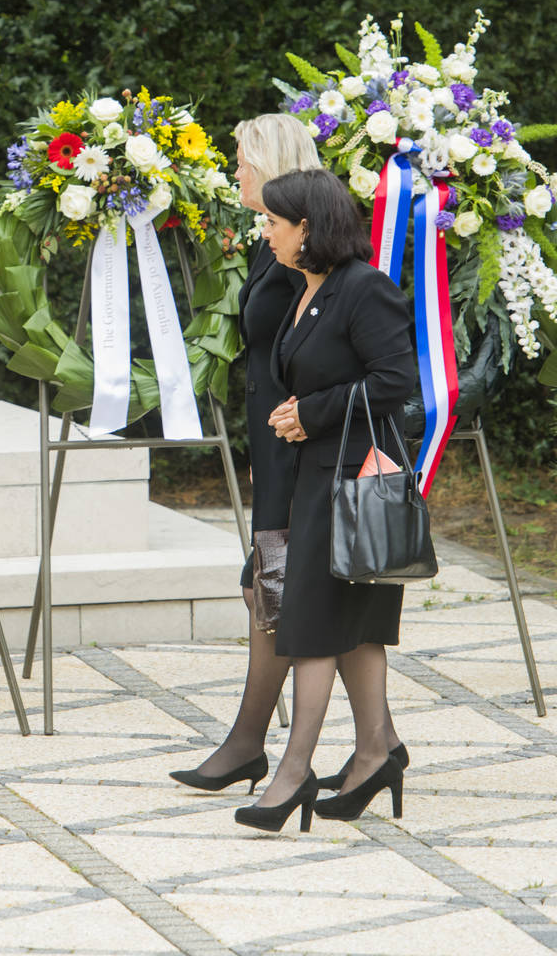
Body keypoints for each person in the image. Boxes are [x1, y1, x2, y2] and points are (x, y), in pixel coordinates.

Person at [236, 167, 417, 832]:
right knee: (350, 627)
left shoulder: (365, 289)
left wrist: (310, 412)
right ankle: (377, 751)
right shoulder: (307, 289)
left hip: (354, 483)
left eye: (276, 223)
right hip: (314, 475)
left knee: (310, 621)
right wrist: (297, 415)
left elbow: (395, 382)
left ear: (307, 227)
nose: (268, 232)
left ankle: (293, 774)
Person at [168, 114, 317, 796]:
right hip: (275, 442)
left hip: (298, 441)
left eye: (241, 161)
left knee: (277, 588)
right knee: (273, 587)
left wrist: (290, 433)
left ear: (271, 163)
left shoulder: (301, 247)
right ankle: (371, 744)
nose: (234, 172)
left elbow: (316, 350)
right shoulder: (271, 240)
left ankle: (249, 745)